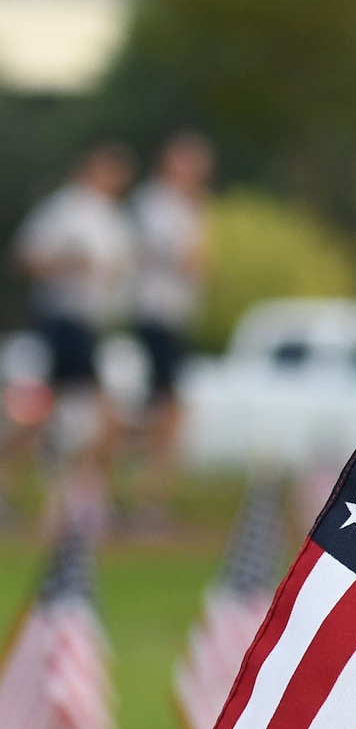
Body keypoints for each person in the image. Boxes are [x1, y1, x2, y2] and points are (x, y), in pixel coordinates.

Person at [13, 144, 135, 516]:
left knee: (51, 414)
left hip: (88, 324)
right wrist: (67, 263)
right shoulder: (64, 209)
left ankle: (74, 492)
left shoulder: (111, 217)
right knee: (91, 412)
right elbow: (27, 258)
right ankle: (87, 495)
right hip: (63, 322)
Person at [128, 130, 214, 524]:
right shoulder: (158, 202)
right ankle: (147, 498)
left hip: (174, 316)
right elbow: (187, 261)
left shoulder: (186, 206)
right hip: (156, 314)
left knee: (166, 408)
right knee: (168, 409)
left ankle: (148, 494)